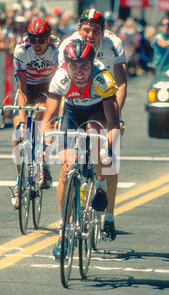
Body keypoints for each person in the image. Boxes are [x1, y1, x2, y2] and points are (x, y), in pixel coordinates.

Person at [41, 39, 120, 259]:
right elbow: (49, 116)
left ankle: (101, 185)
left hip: (97, 111)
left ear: (92, 63)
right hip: (72, 112)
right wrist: (44, 144)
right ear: (66, 64)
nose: (79, 71)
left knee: (95, 134)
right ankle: (63, 232)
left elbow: (113, 121)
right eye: (73, 65)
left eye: (84, 65)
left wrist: (109, 150)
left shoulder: (101, 78)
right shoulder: (60, 78)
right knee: (66, 170)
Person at [10, 16, 59, 209]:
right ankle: (19, 181)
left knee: (41, 113)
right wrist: (22, 124)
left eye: (41, 40)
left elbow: (56, 85)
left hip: (47, 86)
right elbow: (22, 89)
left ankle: (43, 163)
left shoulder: (56, 50)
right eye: (33, 40)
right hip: (27, 87)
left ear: (49, 39)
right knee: (17, 135)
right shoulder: (21, 50)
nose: (37, 44)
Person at [58, 9, 127, 136]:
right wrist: (60, 115)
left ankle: (99, 154)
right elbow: (61, 84)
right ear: (79, 29)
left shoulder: (113, 44)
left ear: (103, 32)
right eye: (86, 30)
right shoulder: (67, 46)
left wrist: (117, 118)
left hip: (103, 98)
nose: (90, 35)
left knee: (96, 133)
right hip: (75, 100)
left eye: (96, 31)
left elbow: (121, 84)